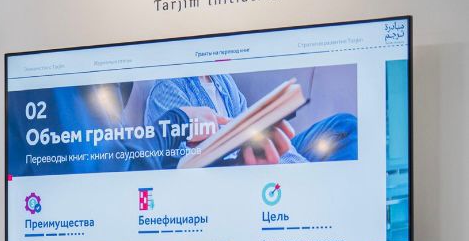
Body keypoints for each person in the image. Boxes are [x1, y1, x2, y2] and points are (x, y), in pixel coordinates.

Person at [145, 74, 358, 166]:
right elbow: (184, 164)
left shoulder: (223, 81)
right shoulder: (168, 87)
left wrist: (297, 167)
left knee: (344, 125)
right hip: (238, 169)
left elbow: (252, 132)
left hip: (256, 155)